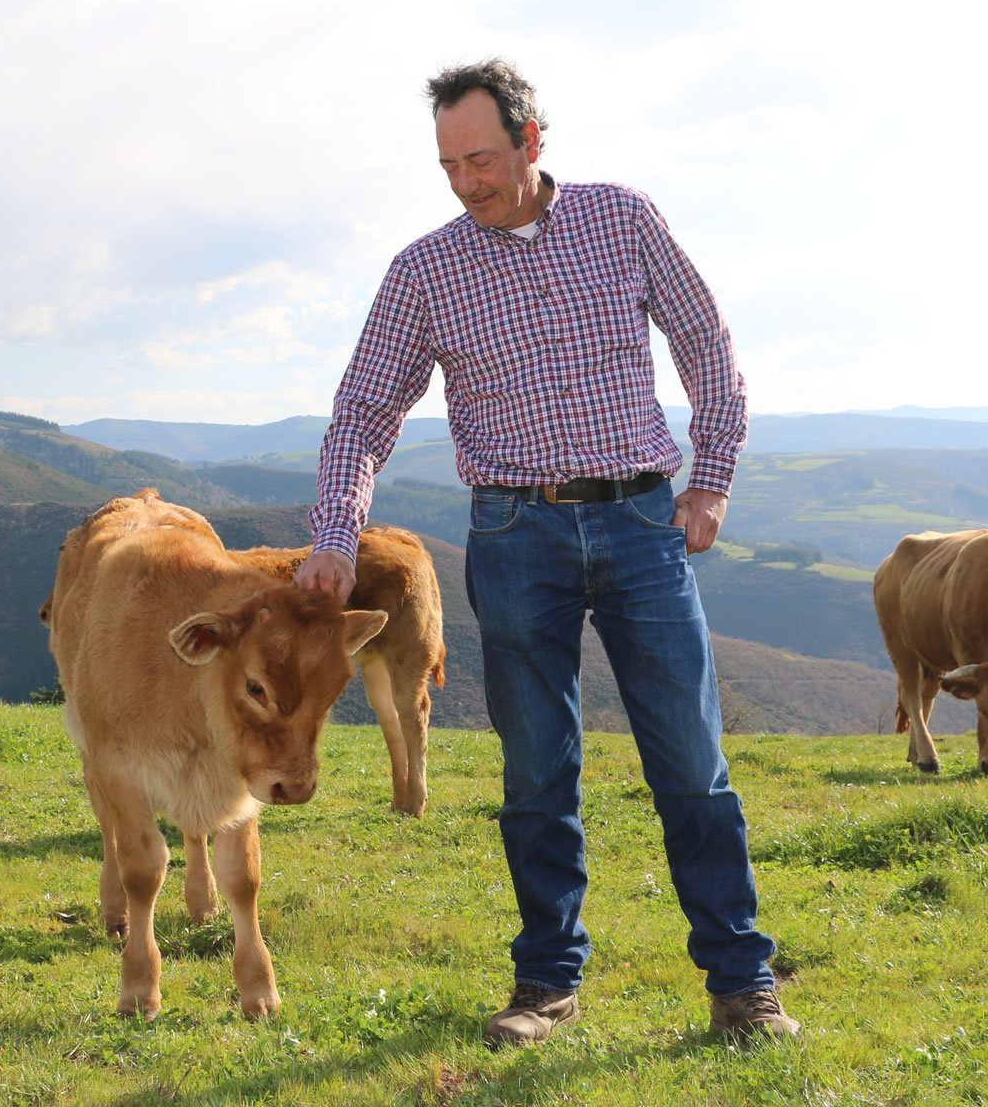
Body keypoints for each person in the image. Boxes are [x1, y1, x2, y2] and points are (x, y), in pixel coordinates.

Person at [294, 59, 798, 1046]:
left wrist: (714, 479)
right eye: (447, 164)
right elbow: (362, 411)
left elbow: (706, 343)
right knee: (536, 776)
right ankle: (545, 990)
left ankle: (744, 988)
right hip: (514, 535)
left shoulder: (622, 218)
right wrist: (334, 536)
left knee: (692, 766)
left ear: (533, 139)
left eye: (481, 157)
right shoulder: (424, 271)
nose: (466, 181)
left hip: (643, 524)